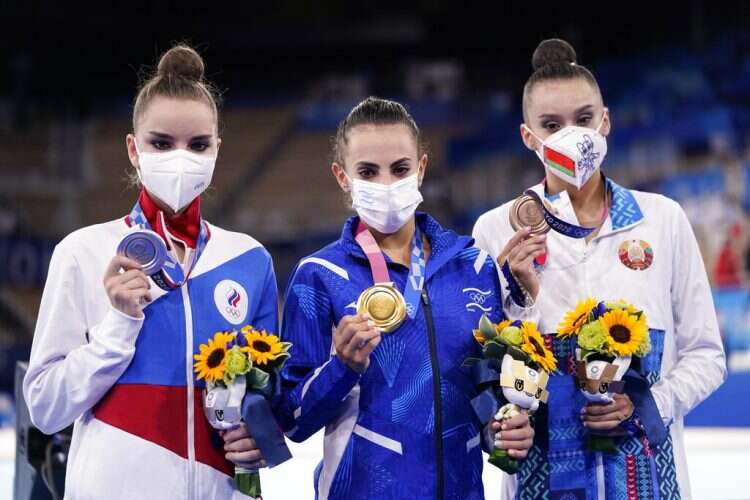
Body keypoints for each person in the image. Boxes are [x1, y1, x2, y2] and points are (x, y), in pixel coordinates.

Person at [472, 39, 726, 500]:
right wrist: (500, 424)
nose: (572, 135)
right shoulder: (494, 230)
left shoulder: (662, 220)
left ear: (605, 122)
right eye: (552, 125)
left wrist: (649, 404)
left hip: (648, 478)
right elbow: (482, 368)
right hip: (539, 481)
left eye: (584, 119)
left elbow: (706, 354)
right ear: (528, 137)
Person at [23, 44, 276, 499]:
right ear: (133, 149)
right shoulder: (82, 252)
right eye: (161, 143)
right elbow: (44, 409)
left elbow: (269, 394)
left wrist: (262, 436)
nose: (181, 158)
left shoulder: (250, 259)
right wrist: (118, 324)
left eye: (198, 145)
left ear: (217, 150)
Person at [274, 97, 534, 500]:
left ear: (421, 169)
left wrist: (503, 430)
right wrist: (341, 367)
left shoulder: (474, 265)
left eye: (399, 169)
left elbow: (488, 395)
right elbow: (291, 419)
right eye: (367, 172)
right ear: (342, 177)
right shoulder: (319, 277)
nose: (386, 184)